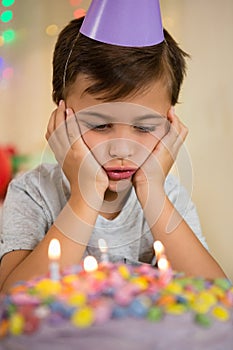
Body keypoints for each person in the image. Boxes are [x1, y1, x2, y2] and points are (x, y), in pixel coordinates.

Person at [0, 1, 226, 292]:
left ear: (170, 124)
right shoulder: (33, 194)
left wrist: (153, 192)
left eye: (144, 127)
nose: (122, 150)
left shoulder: (168, 197)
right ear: (61, 118)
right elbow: (12, 301)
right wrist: (85, 196)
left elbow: (219, 298)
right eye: (100, 125)